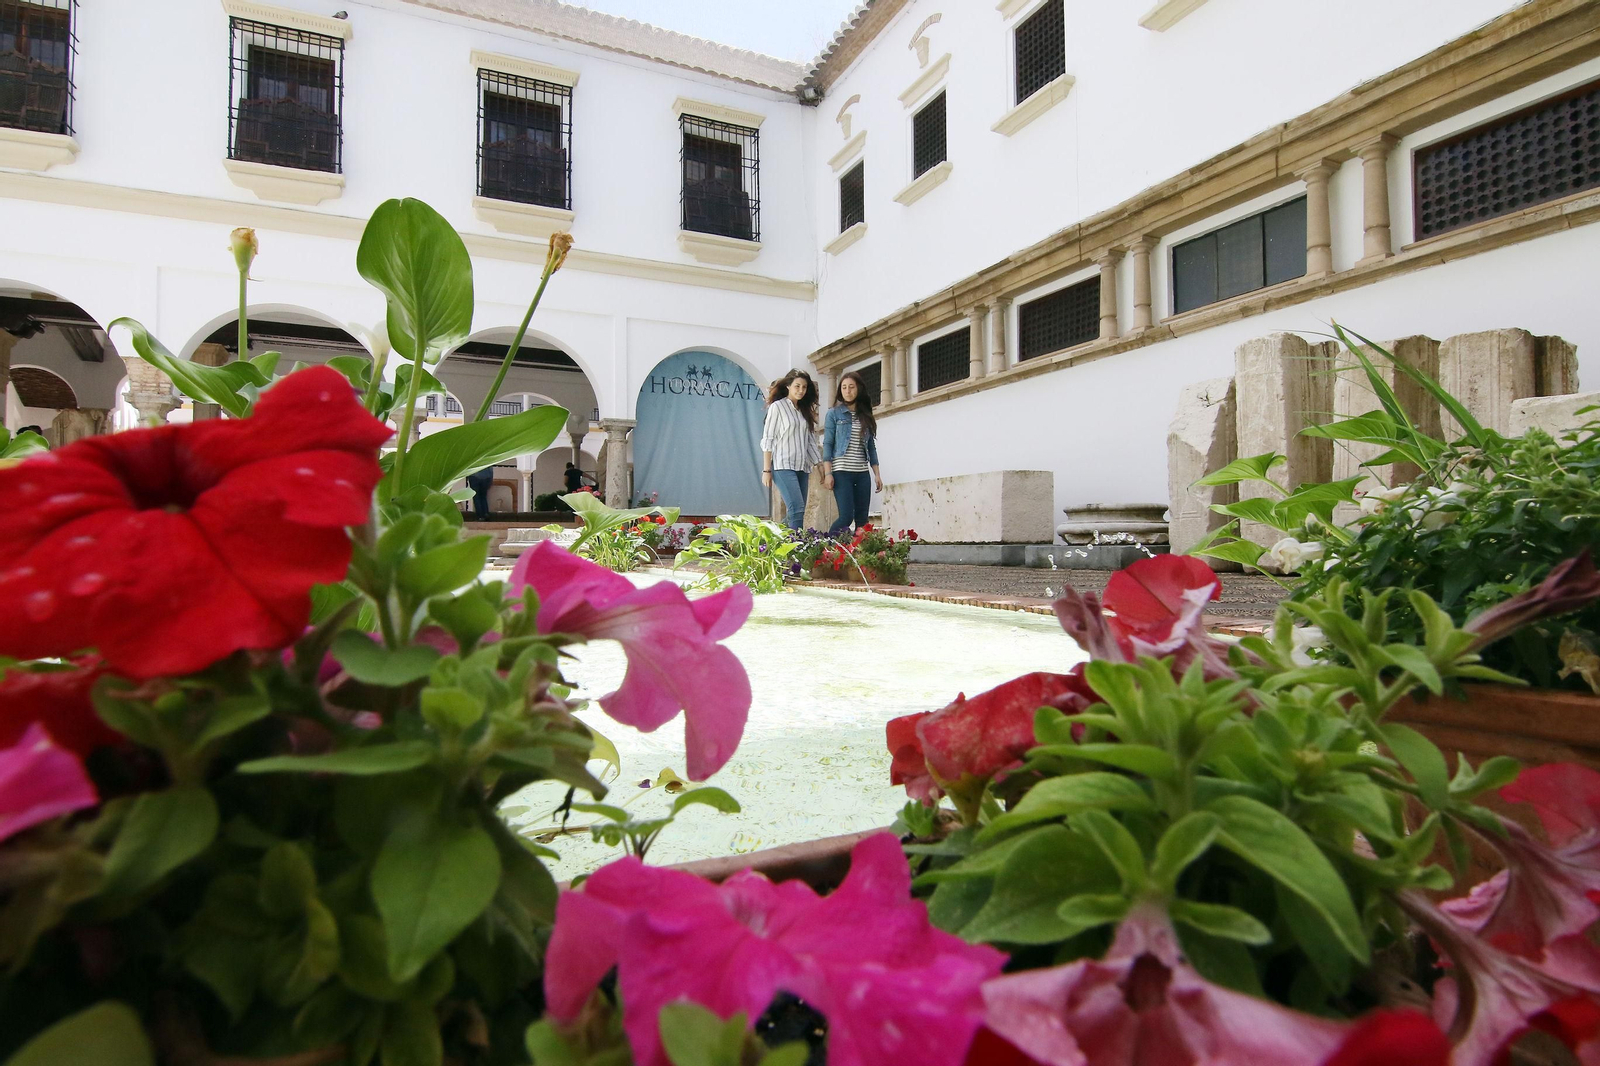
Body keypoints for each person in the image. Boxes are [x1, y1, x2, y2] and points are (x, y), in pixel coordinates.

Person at [821, 371, 882, 537]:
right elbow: (828, 443)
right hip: (842, 473)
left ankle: (858, 558)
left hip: (862, 473)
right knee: (846, 517)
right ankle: (826, 547)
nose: (847, 391)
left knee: (862, 520)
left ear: (859, 389)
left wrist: (876, 474)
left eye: (851, 387)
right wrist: (828, 473)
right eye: (844, 387)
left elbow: (871, 447)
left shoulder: (865, 415)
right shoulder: (833, 414)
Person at [760, 369, 820, 531]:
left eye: (804, 387)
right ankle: (796, 549)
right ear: (788, 386)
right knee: (797, 509)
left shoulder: (804, 411)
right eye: (797, 386)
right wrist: (766, 470)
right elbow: (768, 438)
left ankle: (772, 539)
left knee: (797, 512)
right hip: (783, 465)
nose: (801, 390)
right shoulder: (777, 407)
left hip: (802, 466)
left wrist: (820, 467)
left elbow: (810, 442)